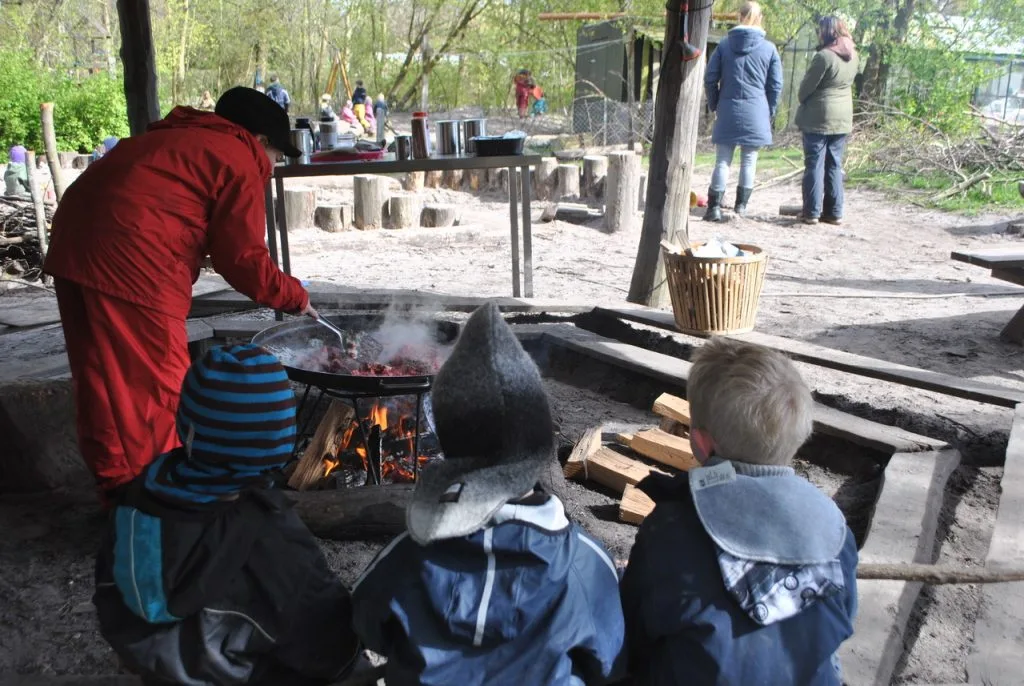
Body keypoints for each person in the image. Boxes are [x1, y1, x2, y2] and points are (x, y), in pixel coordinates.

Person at [42, 87, 314, 505]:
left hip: (72, 244)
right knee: (156, 387)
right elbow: (241, 257)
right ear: (260, 140)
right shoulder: (239, 156)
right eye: (277, 156)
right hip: (131, 258)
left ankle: (120, 488)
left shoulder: (177, 137)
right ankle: (163, 506)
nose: (273, 166)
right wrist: (294, 297)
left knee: (99, 376)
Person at [352, 302, 626, 685]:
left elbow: (366, 622)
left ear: (451, 448)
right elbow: (608, 661)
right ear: (536, 446)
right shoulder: (586, 563)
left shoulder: (409, 555)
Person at [93, 344, 364, 684]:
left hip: (154, 664)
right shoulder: (275, 539)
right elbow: (329, 646)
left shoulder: (135, 499)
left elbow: (108, 595)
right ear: (279, 443)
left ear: (186, 426)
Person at [620, 337, 858, 686]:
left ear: (701, 442)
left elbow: (633, 635)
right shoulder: (834, 528)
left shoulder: (671, 530)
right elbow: (843, 618)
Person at [703, 1, 782, 221]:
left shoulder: (724, 46)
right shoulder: (769, 48)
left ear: (739, 16)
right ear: (760, 18)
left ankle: (714, 208)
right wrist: (769, 110)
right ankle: (741, 208)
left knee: (722, 160)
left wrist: (715, 104)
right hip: (756, 109)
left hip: (728, 107)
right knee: (749, 160)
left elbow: (710, 78)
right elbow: (775, 85)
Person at [795, 16, 858, 225]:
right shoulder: (854, 55)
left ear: (826, 32)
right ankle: (834, 212)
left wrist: (802, 98)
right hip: (842, 117)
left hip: (818, 116)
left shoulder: (823, 57)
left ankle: (811, 212)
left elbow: (805, 89)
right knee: (834, 164)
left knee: (814, 164)